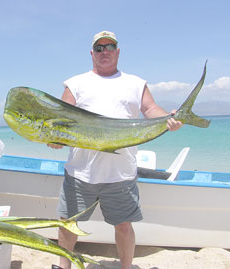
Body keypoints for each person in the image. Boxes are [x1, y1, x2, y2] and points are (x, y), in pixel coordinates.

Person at [48, 31, 182, 269]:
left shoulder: (135, 83)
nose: (104, 52)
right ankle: (62, 267)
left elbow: (151, 110)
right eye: (99, 48)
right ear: (92, 54)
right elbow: (60, 121)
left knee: (123, 225)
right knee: (68, 223)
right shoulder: (75, 83)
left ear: (118, 52)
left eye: (110, 47)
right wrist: (54, 139)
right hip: (81, 172)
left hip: (121, 173)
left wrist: (168, 119)